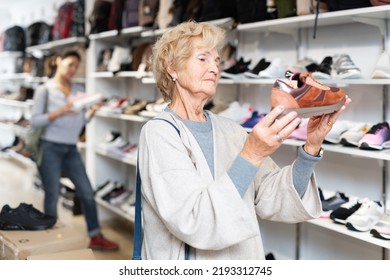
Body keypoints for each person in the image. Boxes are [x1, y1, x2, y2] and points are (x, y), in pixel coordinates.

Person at [137, 21, 351, 260]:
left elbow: (272, 197)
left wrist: (311, 148)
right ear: (171, 68)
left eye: (217, 61)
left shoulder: (231, 130)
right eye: (203, 59)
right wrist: (252, 154)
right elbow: (194, 220)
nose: (215, 69)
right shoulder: (158, 133)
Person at [30, 50, 119, 250]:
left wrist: (92, 111)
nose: (72, 69)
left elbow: (80, 120)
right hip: (49, 146)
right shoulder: (45, 90)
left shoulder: (77, 88)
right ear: (58, 61)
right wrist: (61, 111)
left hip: (71, 149)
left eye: (76, 66)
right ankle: (50, 237)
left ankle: (95, 236)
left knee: (87, 192)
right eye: (69, 64)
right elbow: (35, 121)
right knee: (52, 194)